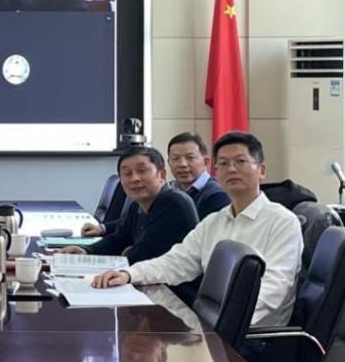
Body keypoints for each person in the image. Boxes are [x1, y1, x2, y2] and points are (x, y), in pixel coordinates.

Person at [90, 131, 303, 328]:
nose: (231, 169)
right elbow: (177, 261)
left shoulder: (282, 222)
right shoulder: (215, 221)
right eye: (223, 164)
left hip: (252, 336)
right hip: (212, 327)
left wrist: (224, 322)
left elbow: (274, 288)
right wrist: (129, 274)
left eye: (240, 162)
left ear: (261, 170)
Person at [59, 146, 198, 265]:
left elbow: (143, 255)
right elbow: (118, 239)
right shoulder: (138, 204)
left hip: (173, 286)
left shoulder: (173, 203)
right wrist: (86, 251)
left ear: (161, 174)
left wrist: (128, 252)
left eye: (142, 171)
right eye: (127, 173)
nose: (134, 178)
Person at [167, 132, 232, 219]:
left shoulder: (218, 194)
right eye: (176, 158)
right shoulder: (166, 191)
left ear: (206, 162)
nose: (182, 164)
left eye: (190, 158)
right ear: (169, 163)